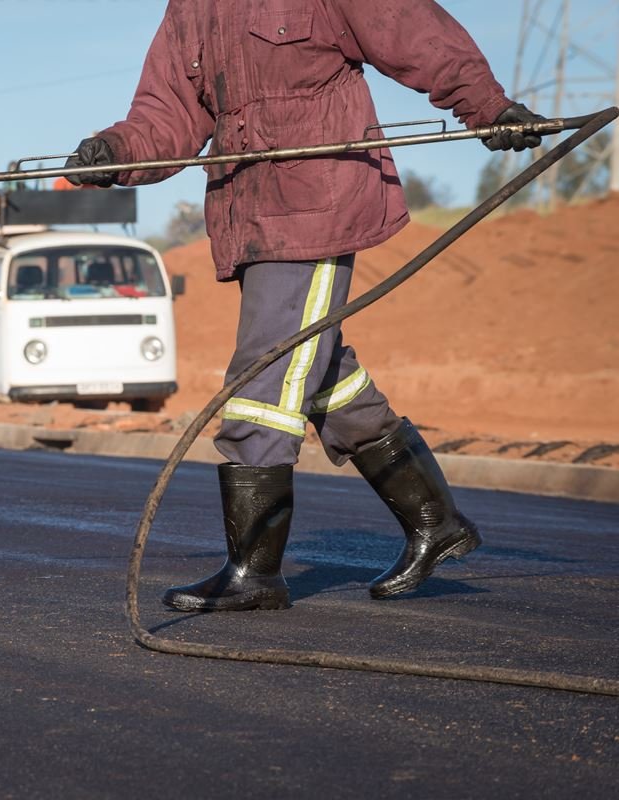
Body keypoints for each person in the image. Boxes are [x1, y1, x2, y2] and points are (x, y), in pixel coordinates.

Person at [64, 0, 545, 612]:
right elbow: (167, 116)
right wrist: (116, 151)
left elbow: (413, 32)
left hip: (318, 208)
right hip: (251, 217)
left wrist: (490, 109)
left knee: (266, 370)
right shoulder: (190, 10)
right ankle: (437, 523)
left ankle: (255, 570)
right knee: (317, 374)